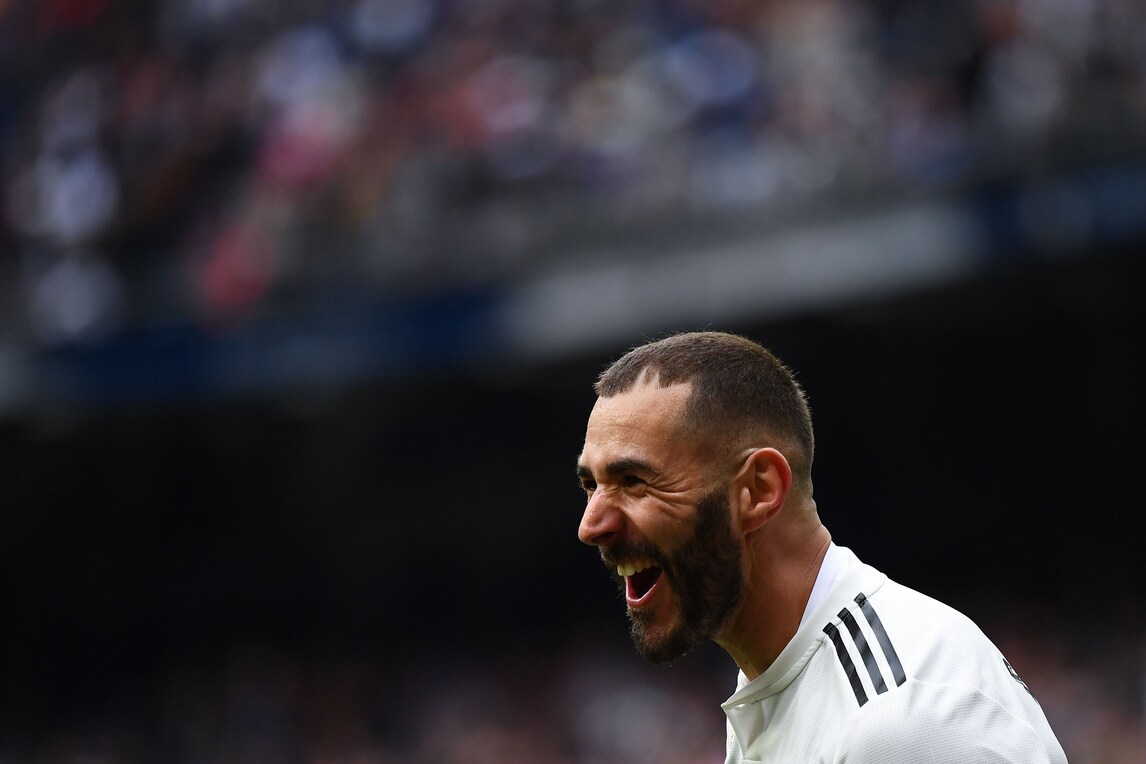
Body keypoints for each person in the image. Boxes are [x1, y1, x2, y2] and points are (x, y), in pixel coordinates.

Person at [575, 331, 1066, 763]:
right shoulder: (780, 684)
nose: (591, 525)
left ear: (759, 490)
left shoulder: (900, 724)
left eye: (634, 481)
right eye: (590, 486)